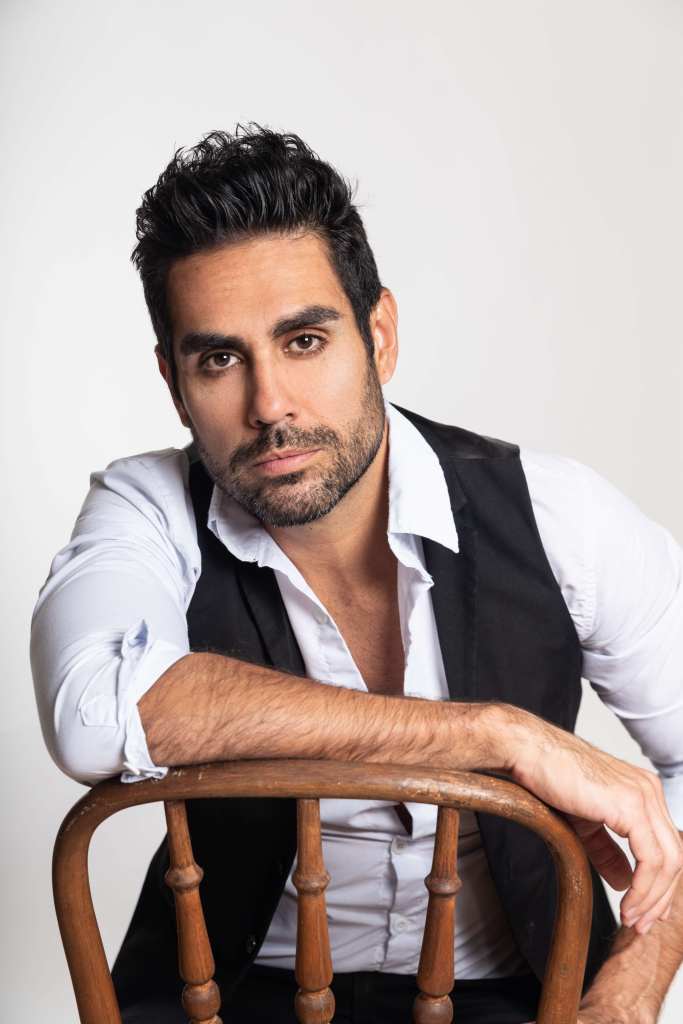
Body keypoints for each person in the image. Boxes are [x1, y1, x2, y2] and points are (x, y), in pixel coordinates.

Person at [31, 126, 683, 1024]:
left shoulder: (557, 511)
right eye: (219, 359)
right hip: (224, 997)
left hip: (513, 994)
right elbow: (93, 713)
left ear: (379, 336)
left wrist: (630, 985)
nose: (269, 406)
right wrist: (495, 737)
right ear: (175, 385)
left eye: (303, 340)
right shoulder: (146, 505)